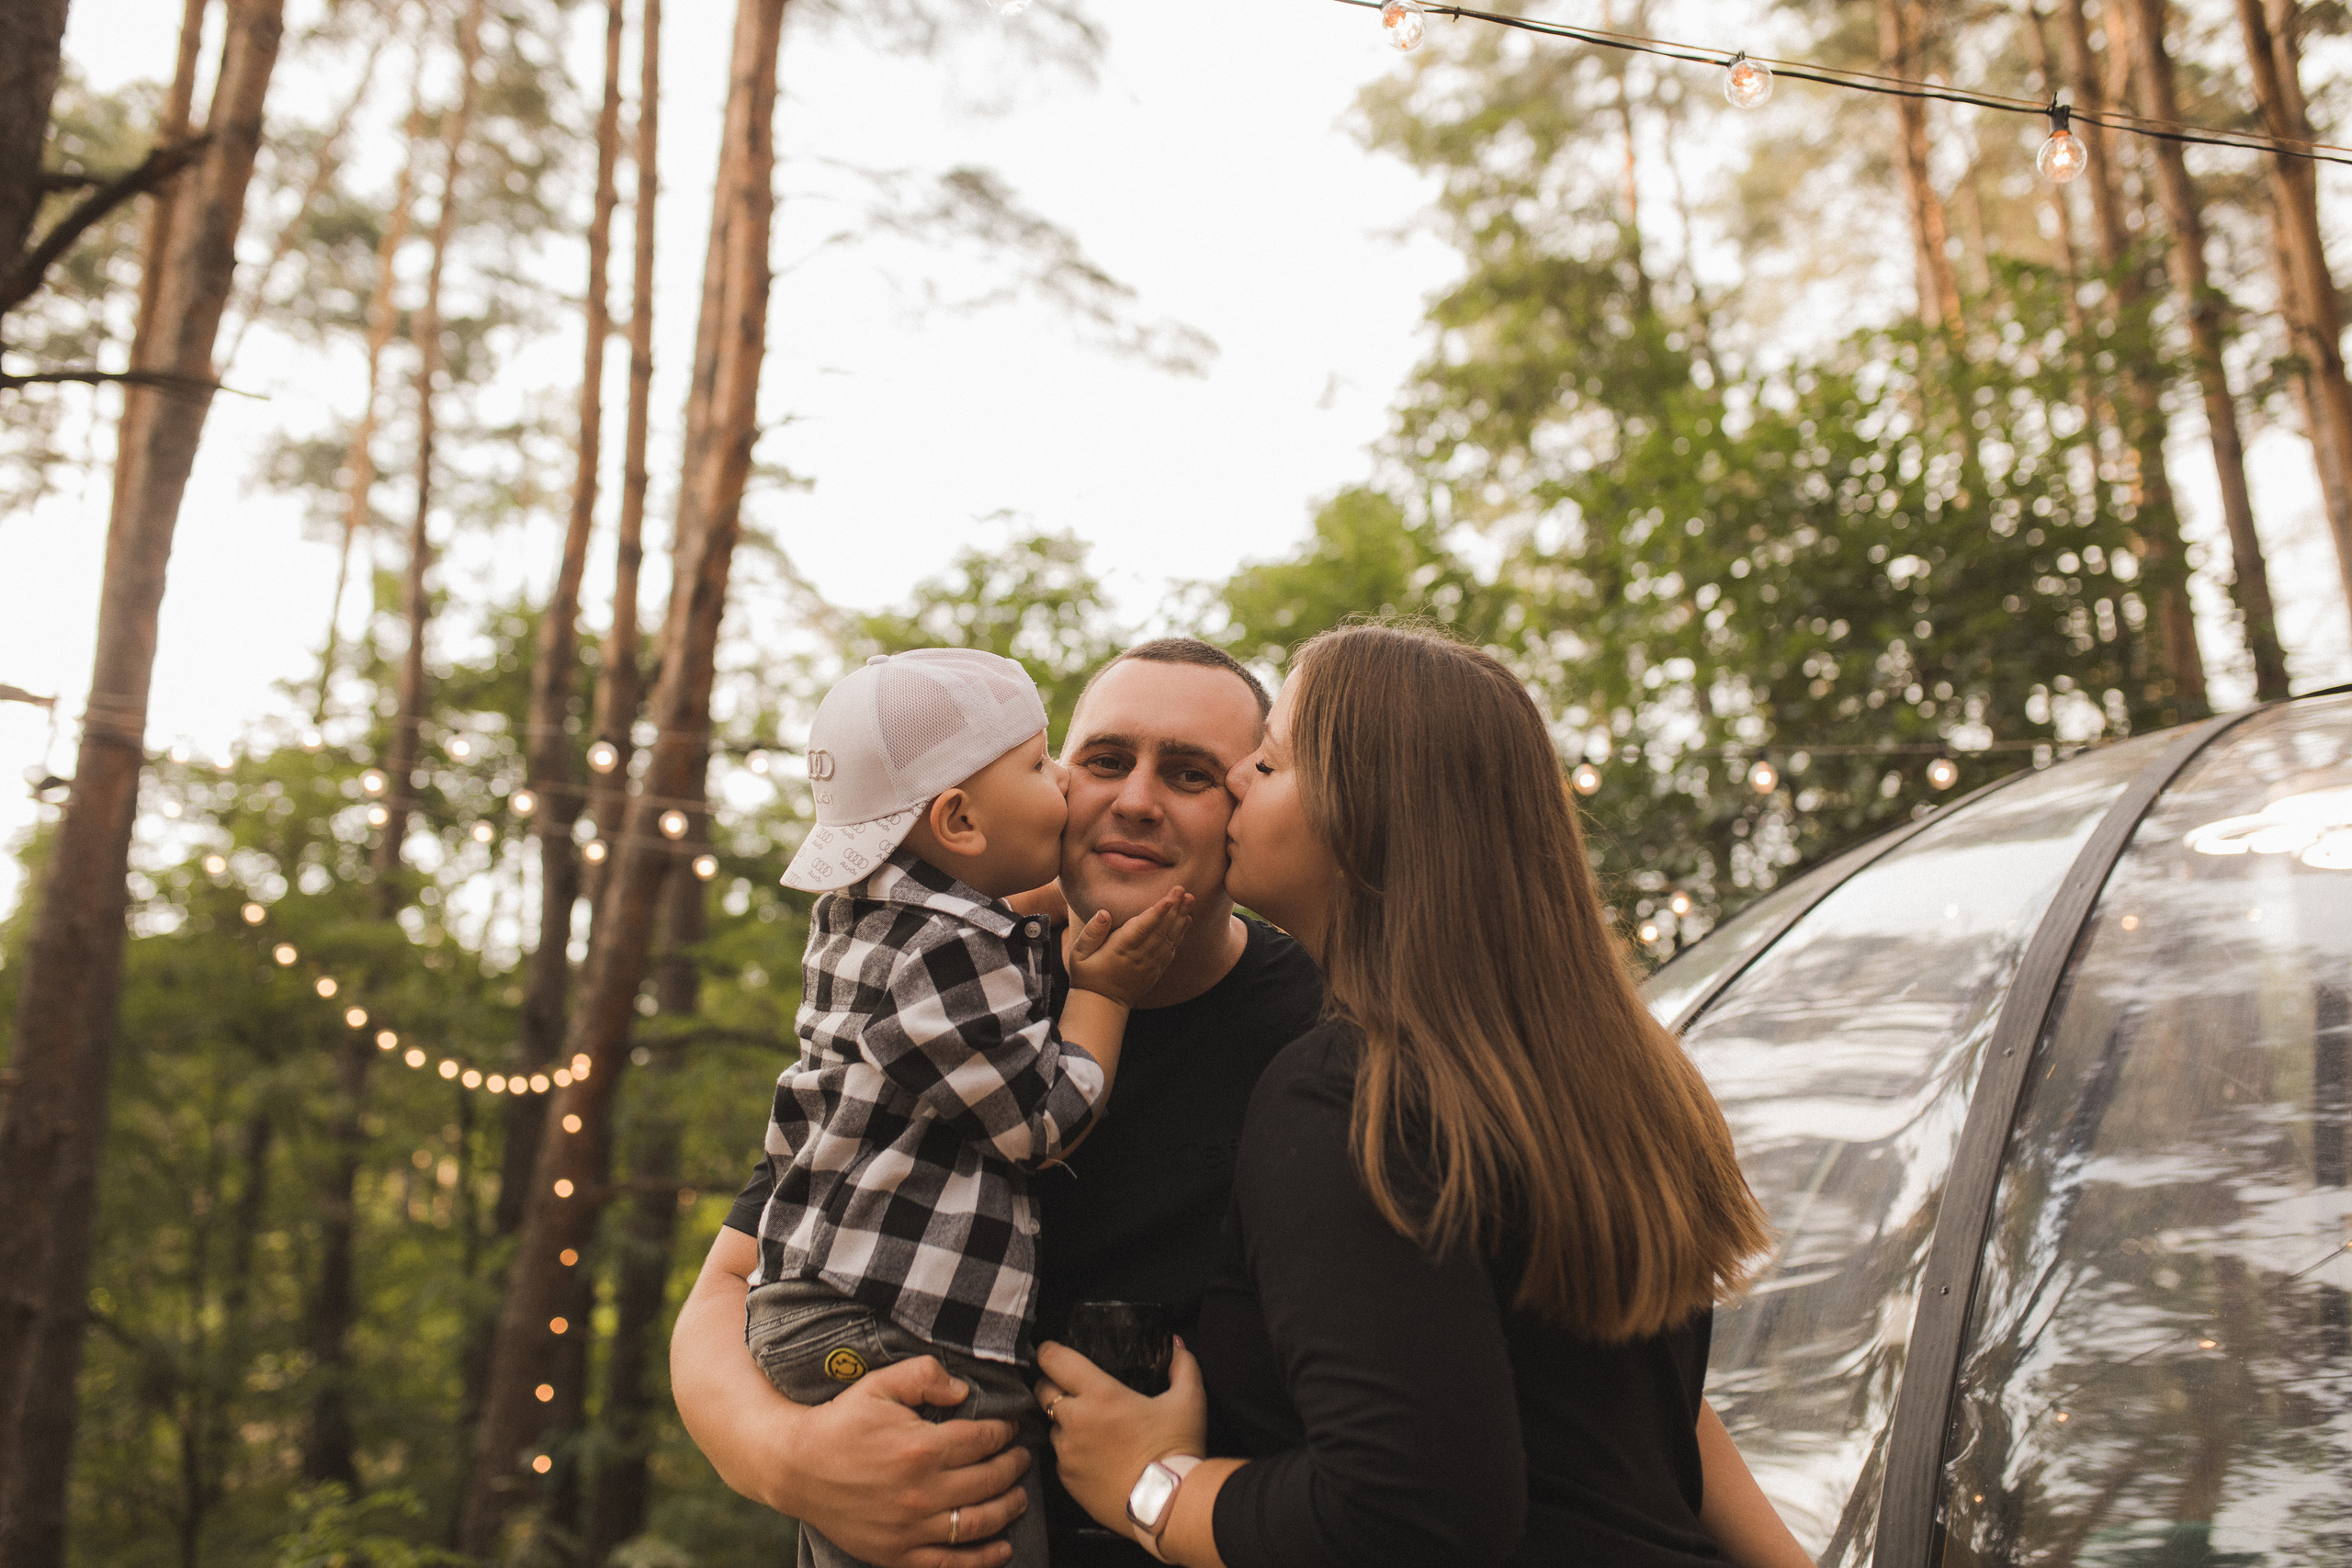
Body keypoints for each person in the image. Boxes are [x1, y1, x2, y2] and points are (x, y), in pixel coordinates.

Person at [1034, 623, 1815, 1568]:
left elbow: (1406, 1516)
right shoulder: (1585, 1066)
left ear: (1363, 817)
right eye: (1105, 760)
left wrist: (1151, 1486)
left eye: (1259, 766)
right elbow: (1610, 1409)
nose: (1232, 784)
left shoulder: (1348, 1087)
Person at [673, 638, 1326, 1567]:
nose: (1135, 799)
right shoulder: (960, 974)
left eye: (1188, 773)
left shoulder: (1321, 1020)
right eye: (1103, 761)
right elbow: (729, 1283)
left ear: (1243, 806)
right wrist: (791, 1462)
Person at [752, 647, 1195, 1568]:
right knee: (982, 1534)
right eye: (1041, 765)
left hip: (827, 1315)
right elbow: (1040, 1124)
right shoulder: (939, 958)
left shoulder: (873, 919)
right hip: (904, 1332)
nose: (1068, 781)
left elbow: (992, 952)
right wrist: (1104, 991)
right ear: (957, 820)